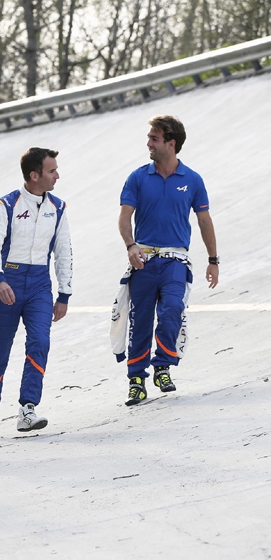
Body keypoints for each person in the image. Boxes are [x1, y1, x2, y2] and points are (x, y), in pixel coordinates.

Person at [113, 115, 218, 405]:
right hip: (144, 260)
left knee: (173, 310)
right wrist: (131, 245)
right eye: (149, 137)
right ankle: (136, 380)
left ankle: (162, 365)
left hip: (175, 261)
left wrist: (213, 259)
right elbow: (124, 218)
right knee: (140, 321)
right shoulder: (137, 177)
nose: (148, 143)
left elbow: (204, 221)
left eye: (154, 138)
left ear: (171, 144)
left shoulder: (193, 180)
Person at [0, 147, 72, 441]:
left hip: (40, 284)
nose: (57, 175)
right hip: (10, 280)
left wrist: (64, 293)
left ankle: (27, 409)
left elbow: (63, 251)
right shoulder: (7, 204)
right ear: (34, 175)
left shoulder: (58, 207)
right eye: (52, 170)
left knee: (40, 342)